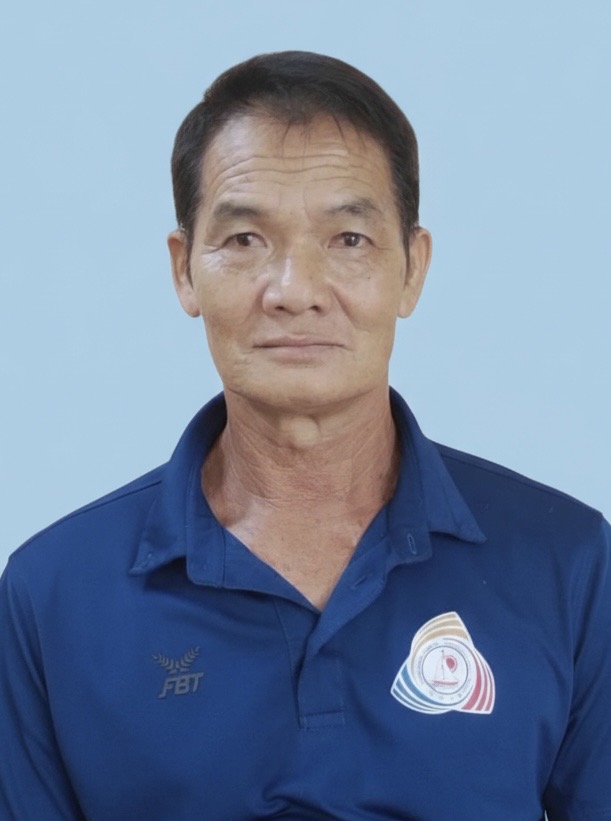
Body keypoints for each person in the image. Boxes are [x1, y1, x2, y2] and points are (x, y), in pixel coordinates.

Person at [0, 51, 609, 821]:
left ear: (411, 268)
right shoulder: (54, 594)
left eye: (348, 239)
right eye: (245, 239)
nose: (294, 291)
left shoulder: (568, 564)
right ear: (184, 270)